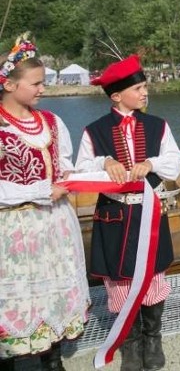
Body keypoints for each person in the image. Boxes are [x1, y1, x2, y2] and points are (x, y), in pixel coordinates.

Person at [76, 54, 180, 371]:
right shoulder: (94, 131)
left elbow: (174, 160)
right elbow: (80, 170)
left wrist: (150, 164)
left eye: (145, 86)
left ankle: (153, 338)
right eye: (139, 88)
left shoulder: (157, 125)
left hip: (149, 213)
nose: (145, 93)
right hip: (114, 216)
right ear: (116, 96)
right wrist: (103, 162)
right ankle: (131, 343)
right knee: (120, 280)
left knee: (152, 275)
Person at [0, 36, 89, 371]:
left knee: (53, 293)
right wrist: (39, 190)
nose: (43, 90)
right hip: (14, 227)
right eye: (36, 84)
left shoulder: (51, 121)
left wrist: (97, 168)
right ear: (9, 85)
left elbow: (65, 165)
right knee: (18, 295)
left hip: (54, 224)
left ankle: (52, 361)